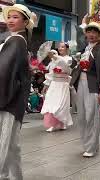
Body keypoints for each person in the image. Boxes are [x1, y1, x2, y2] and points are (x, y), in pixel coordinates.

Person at [0, 4, 36, 180]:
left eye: (16, 17)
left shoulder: (15, 41)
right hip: (13, 97)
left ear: (25, 21)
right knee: (11, 144)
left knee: (4, 142)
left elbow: (4, 71)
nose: (10, 20)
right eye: (9, 17)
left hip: (7, 97)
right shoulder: (17, 41)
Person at [70, 16, 100, 157]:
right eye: (89, 31)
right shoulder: (85, 49)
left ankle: (91, 147)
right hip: (81, 84)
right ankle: (89, 144)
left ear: (99, 35)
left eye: (94, 32)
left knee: (91, 116)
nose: (91, 34)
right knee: (81, 116)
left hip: (93, 86)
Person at [41, 42, 73, 132]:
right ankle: (52, 124)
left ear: (67, 48)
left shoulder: (69, 59)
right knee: (51, 103)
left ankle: (62, 123)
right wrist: (45, 86)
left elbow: (64, 64)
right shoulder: (53, 61)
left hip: (63, 84)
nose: (60, 48)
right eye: (59, 47)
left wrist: (54, 57)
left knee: (61, 104)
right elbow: (51, 74)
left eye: (62, 47)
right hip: (54, 84)